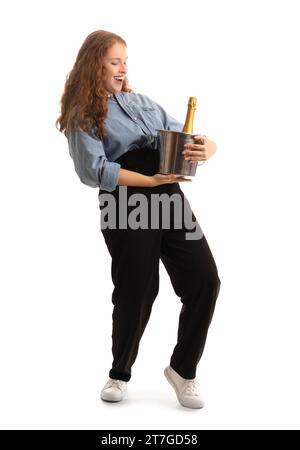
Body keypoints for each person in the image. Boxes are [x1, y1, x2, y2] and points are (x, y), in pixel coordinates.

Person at [56, 30, 221, 409]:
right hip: (125, 201)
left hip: (167, 194)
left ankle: (183, 370)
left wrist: (208, 146)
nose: (122, 68)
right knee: (138, 288)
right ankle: (119, 373)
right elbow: (93, 170)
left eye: (124, 61)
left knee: (205, 280)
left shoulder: (142, 102)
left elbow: (186, 136)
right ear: (94, 64)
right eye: (115, 61)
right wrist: (147, 180)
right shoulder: (83, 114)